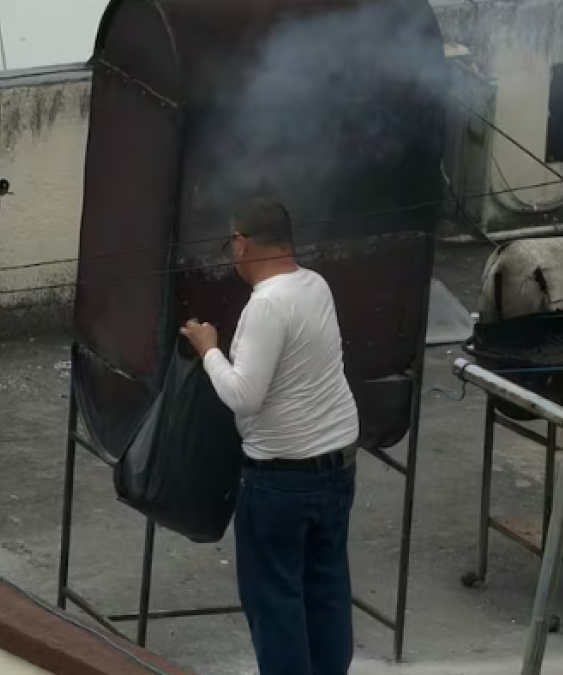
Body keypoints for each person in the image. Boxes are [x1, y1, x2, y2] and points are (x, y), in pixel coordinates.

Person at [180, 199, 360, 675]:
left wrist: (209, 350)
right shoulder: (315, 285)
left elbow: (244, 396)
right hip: (337, 467)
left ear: (241, 243)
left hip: (281, 481)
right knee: (327, 593)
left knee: (276, 602)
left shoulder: (266, 304)